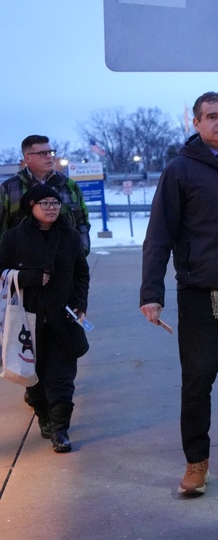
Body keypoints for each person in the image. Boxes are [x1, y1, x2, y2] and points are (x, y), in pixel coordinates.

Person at [139, 91, 218, 496]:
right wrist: (152, 291)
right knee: (199, 379)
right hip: (200, 293)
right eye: (212, 116)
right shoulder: (180, 170)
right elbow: (159, 235)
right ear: (197, 124)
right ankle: (196, 462)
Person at [0, 185, 90, 453]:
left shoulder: (70, 237)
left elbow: (81, 275)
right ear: (31, 206)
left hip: (63, 317)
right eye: (45, 203)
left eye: (55, 203)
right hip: (27, 319)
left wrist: (80, 304)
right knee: (33, 376)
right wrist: (30, 277)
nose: (51, 208)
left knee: (62, 377)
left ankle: (60, 429)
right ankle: (44, 417)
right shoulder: (13, 238)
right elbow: (2, 272)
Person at [0, 135, 90, 255]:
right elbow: (2, 229)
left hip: (66, 264)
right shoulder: (9, 189)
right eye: (43, 153)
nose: (49, 157)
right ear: (27, 158)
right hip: (24, 265)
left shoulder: (69, 186)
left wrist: (81, 251)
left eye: (50, 152)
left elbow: (82, 223)